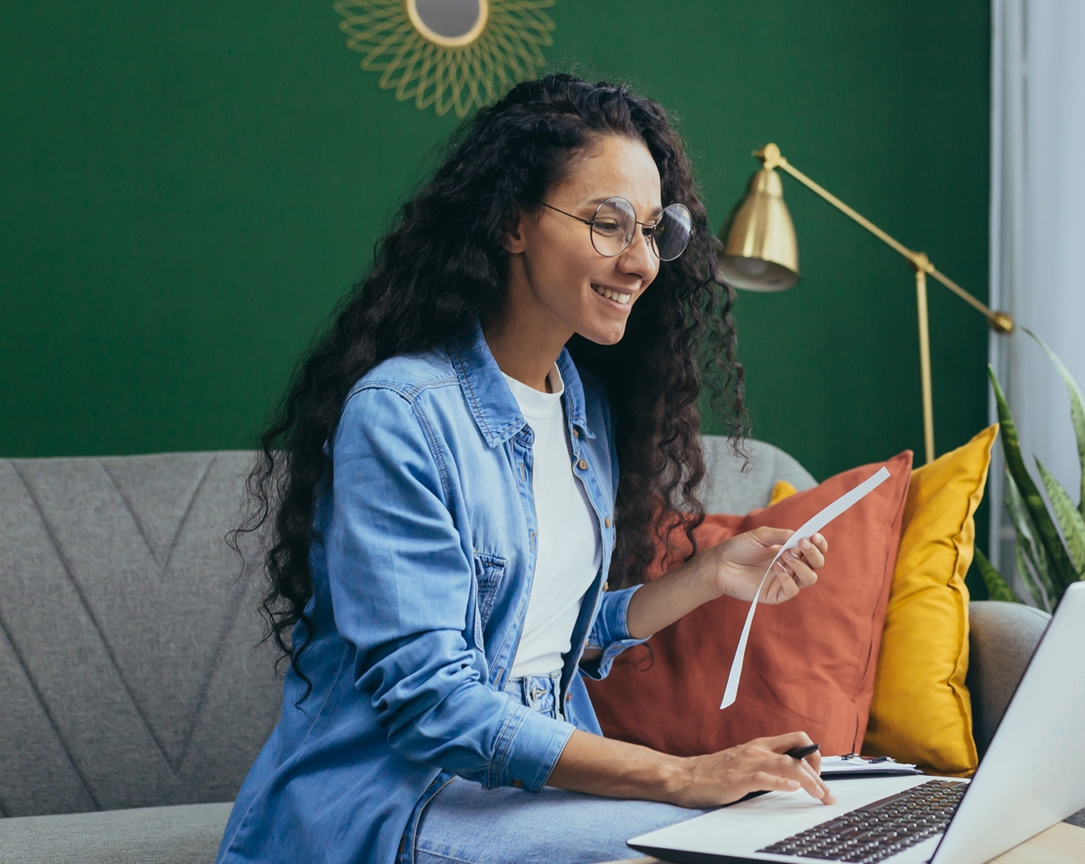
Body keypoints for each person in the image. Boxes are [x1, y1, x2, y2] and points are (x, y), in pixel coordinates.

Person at [218, 73, 836, 864]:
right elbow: (434, 705)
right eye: (608, 224)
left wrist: (710, 576)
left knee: (789, 829)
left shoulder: (579, 406)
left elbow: (544, 639)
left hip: (524, 792)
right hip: (404, 799)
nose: (641, 261)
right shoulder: (401, 414)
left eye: (654, 229)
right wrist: (679, 777)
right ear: (513, 223)